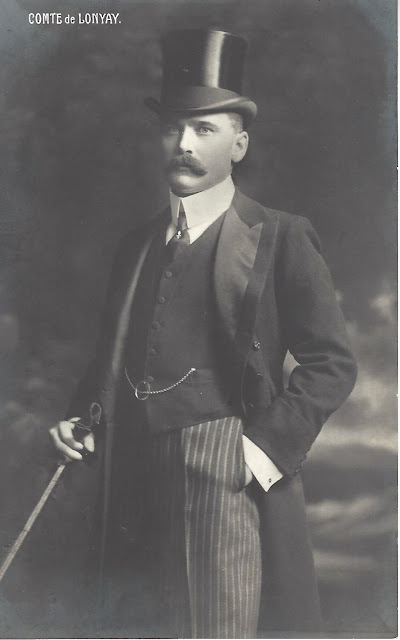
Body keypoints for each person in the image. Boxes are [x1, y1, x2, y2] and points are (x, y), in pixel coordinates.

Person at [49, 29, 357, 638]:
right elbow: (112, 360)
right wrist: (77, 418)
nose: (184, 145)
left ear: (239, 143)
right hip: (131, 475)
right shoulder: (136, 246)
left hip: (225, 474)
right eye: (172, 129)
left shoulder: (280, 236)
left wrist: (256, 453)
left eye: (204, 129)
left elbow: (332, 363)